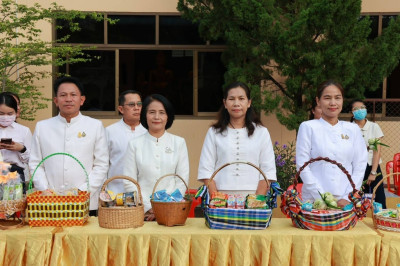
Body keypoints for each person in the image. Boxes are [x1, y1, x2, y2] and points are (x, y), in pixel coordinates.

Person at [29, 77, 109, 215]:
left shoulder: (95, 126)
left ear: (82, 100)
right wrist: (45, 190)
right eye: (63, 95)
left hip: (85, 201)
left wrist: (82, 191)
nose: (68, 99)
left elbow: (101, 164)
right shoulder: (43, 127)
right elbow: (35, 163)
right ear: (56, 101)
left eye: (73, 95)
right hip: (49, 200)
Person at [296, 80, 368, 208]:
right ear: (318, 101)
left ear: (342, 101)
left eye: (337, 98)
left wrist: (348, 196)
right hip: (315, 201)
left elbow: (360, 164)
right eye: (327, 98)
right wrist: (323, 197)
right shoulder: (308, 127)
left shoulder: (353, 129)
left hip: (345, 201)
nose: (333, 103)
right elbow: (302, 165)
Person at [197, 82, 276, 196]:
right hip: (221, 196)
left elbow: (267, 170)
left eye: (241, 99)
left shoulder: (261, 132)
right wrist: (217, 198)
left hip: (254, 196)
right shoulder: (214, 132)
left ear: (249, 103)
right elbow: (206, 169)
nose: (236, 103)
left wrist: (257, 200)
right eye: (231, 99)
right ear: (225, 103)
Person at [123, 94, 189, 221]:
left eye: (162, 112)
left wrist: (165, 208)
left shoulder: (179, 142)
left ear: (168, 116)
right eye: (152, 112)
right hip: (143, 213)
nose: (157, 117)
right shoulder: (134, 144)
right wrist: (149, 208)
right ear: (144, 116)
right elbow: (129, 182)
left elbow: (182, 181)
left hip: (171, 212)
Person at [106, 90, 147, 193]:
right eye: (131, 105)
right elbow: (103, 164)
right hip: (115, 193)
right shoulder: (109, 131)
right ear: (121, 109)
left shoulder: (148, 131)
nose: (136, 108)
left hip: (143, 194)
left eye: (139, 104)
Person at [350, 99, 386, 208]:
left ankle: (380, 218)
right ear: (352, 112)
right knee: (355, 198)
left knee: (379, 197)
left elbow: (376, 150)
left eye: (362, 107)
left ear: (366, 109)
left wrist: (373, 172)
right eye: (356, 109)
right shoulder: (349, 128)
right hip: (354, 168)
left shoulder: (373, 127)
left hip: (371, 166)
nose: (359, 110)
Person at [0, 93, 31, 191]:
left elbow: (32, 159)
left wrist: (21, 148)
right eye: (1, 114)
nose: (5, 117)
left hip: (15, 175)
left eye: (10, 114)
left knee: (16, 205)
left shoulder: (23, 130)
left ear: (16, 112)